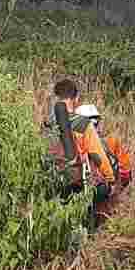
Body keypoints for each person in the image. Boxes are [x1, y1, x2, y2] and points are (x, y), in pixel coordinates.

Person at [51, 79, 115, 229]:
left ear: (57, 98)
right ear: (76, 98)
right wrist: (110, 179)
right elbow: (96, 154)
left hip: (53, 179)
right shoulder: (82, 123)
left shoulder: (47, 125)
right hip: (76, 181)